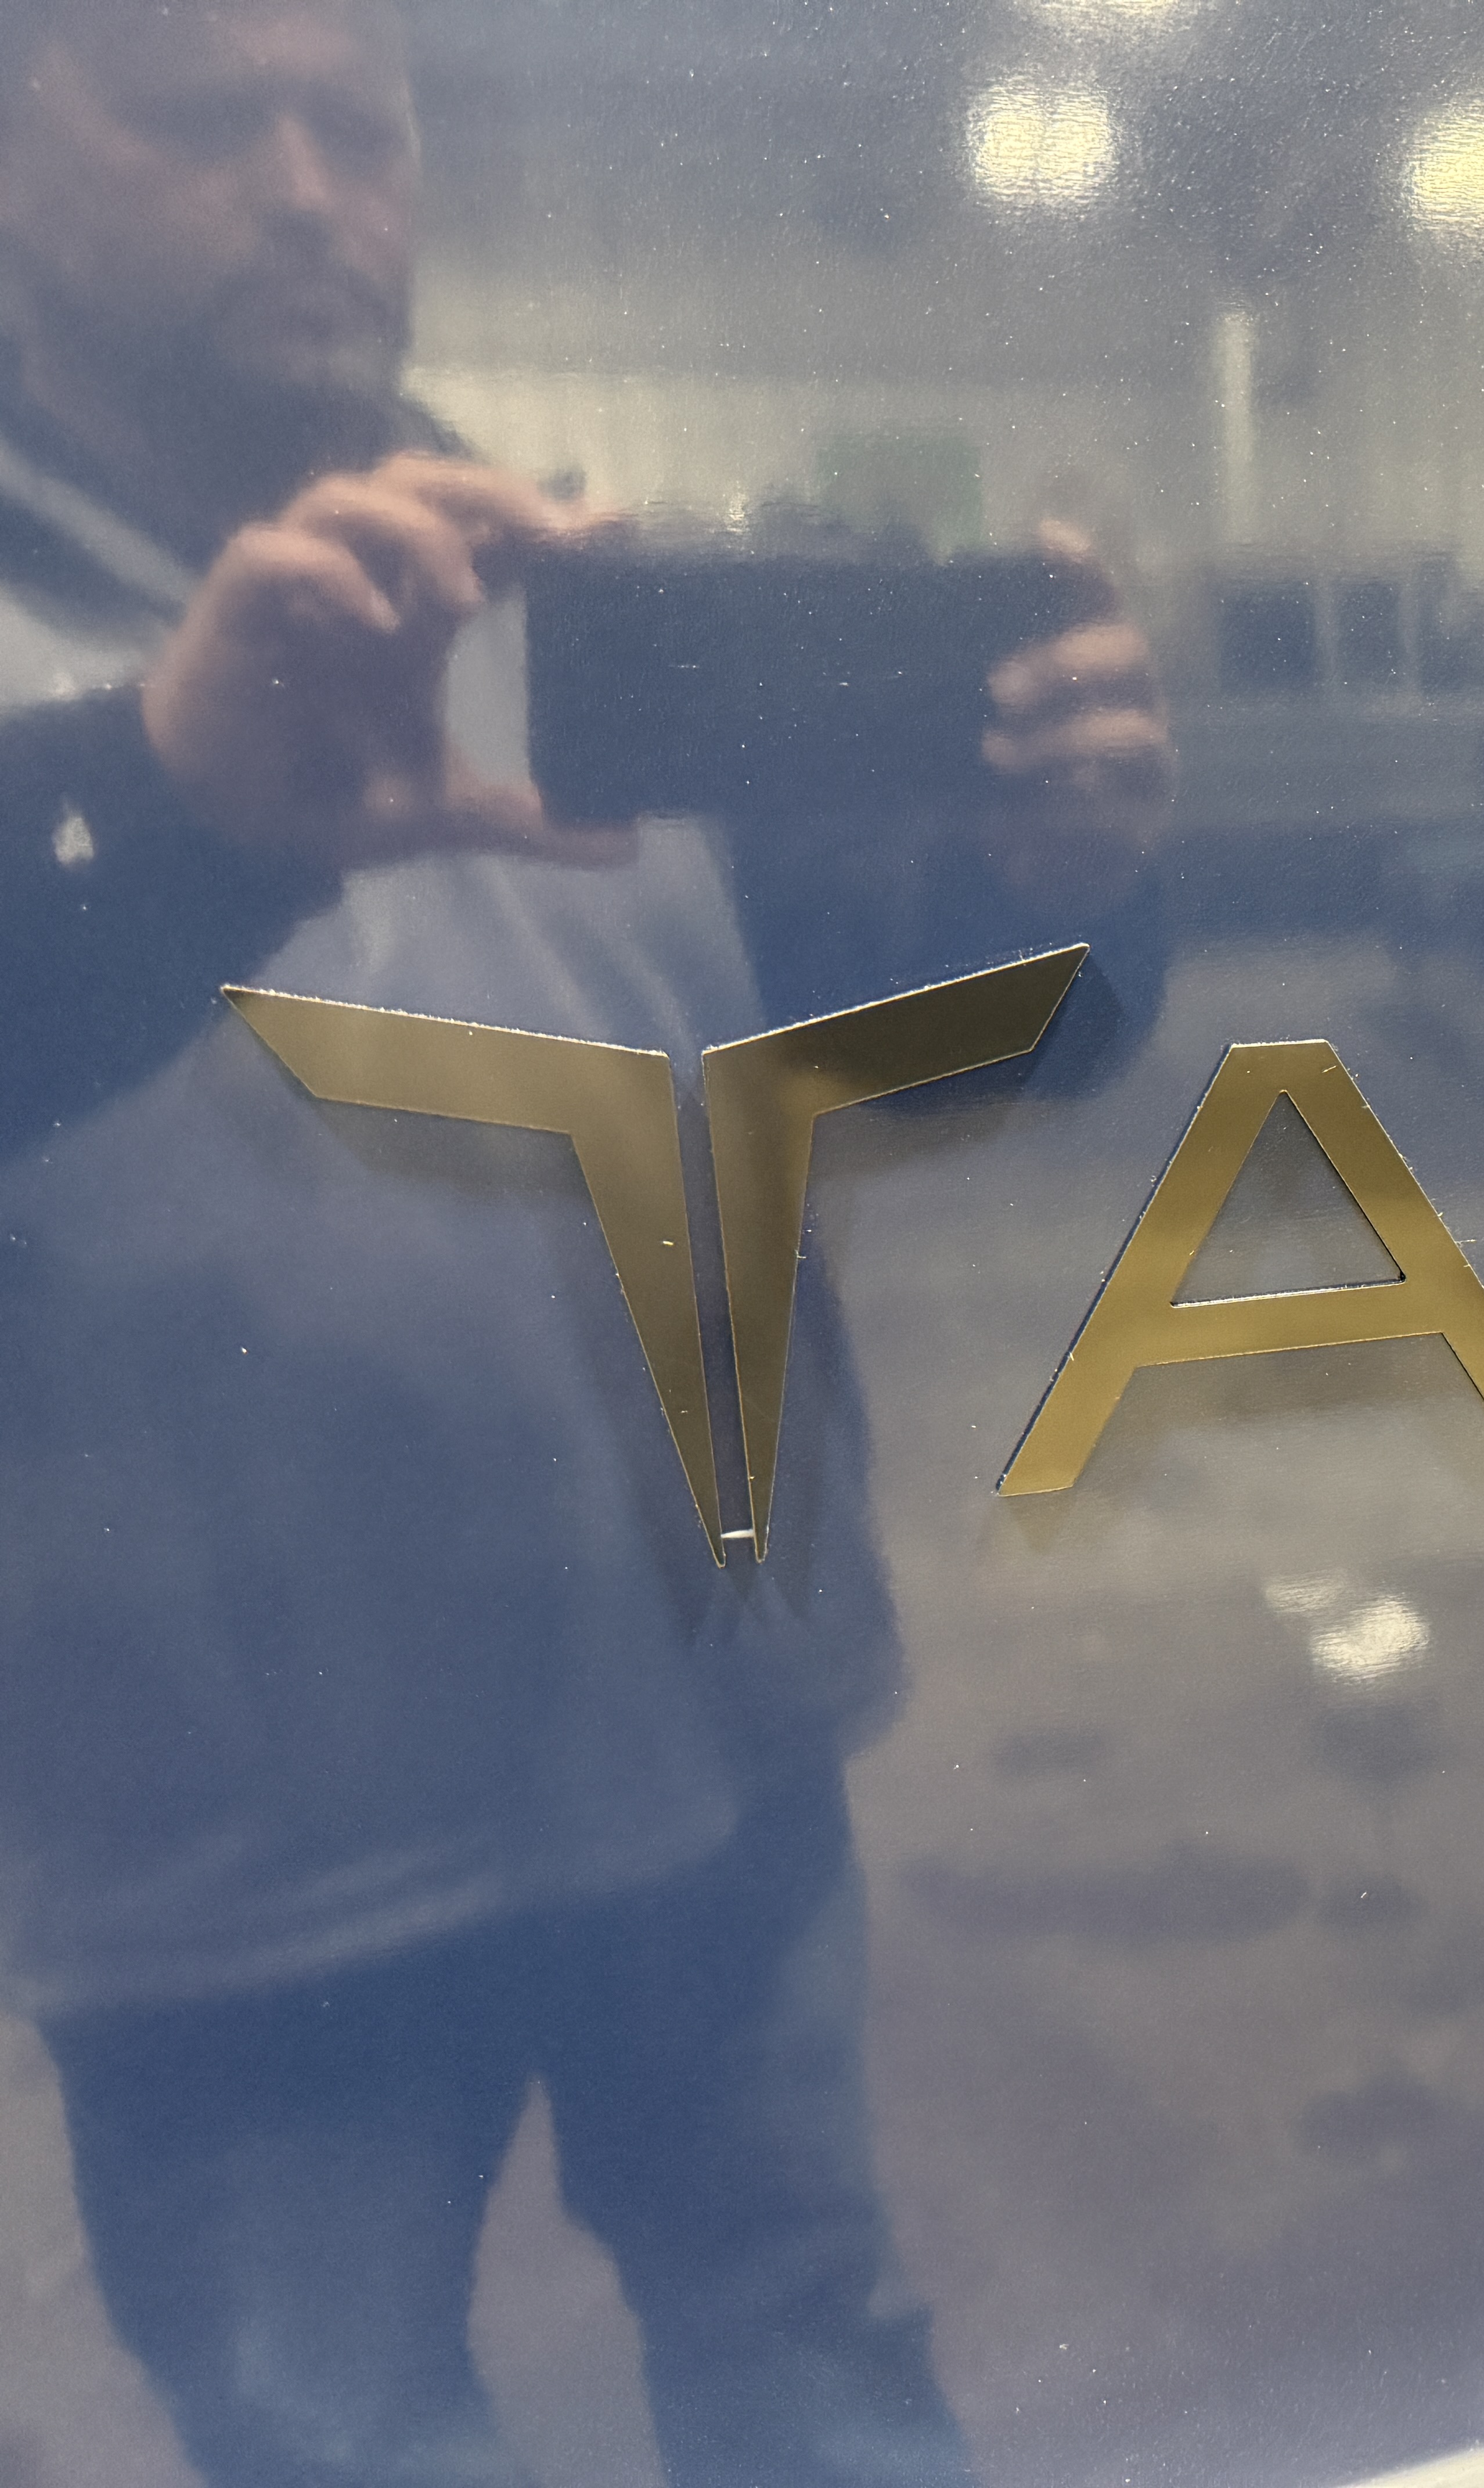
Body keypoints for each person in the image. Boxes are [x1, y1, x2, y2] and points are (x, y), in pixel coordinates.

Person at [0, 1, 1172, 2480]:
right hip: (242, 1878)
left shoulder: (582, 595)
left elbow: (930, 1039)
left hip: (705, 1764)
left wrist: (1054, 884)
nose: (303, 184)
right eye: (203, 116)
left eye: (360, 123)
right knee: (342, 2444)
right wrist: (163, 803)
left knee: (814, 2363)